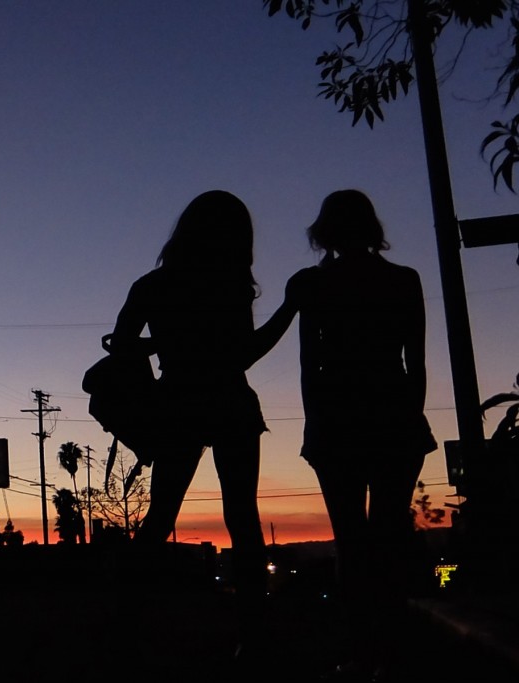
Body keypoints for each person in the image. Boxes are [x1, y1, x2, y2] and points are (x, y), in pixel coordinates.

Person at [110, 190, 284, 661]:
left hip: (178, 403)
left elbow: (121, 346)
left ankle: (126, 627)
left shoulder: (151, 285)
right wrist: (288, 310)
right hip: (229, 401)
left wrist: (158, 347)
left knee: (159, 517)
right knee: (243, 521)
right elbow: (244, 353)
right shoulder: (227, 284)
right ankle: (253, 636)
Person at [284, 190, 437, 680]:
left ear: (324, 231)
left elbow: (310, 364)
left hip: (338, 418)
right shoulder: (402, 280)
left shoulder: (316, 285)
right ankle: (391, 650)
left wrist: (314, 424)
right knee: (388, 536)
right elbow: (415, 361)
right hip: (392, 412)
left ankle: (361, 649)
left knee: (351, 541)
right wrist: (411, 416)